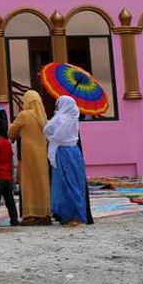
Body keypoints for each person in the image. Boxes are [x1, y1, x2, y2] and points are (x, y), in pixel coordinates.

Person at [45, 96, 89, 227]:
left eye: (58, 104)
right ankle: (69, 215)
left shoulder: (64, 119)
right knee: (67, 183)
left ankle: (75, 215)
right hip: (71, 152)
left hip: (65, 153)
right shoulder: (69, 118)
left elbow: (57, 135)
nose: (57, 106)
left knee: (69, 183)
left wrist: (50, 133)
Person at [9, 91, 51, 225]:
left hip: (27, 155)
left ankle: (30, 214)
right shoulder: (43, 117)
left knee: (28, 182)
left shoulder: (24, 115)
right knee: (42, 182)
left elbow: (11, 131)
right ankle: (45, 214)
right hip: (42, 156)